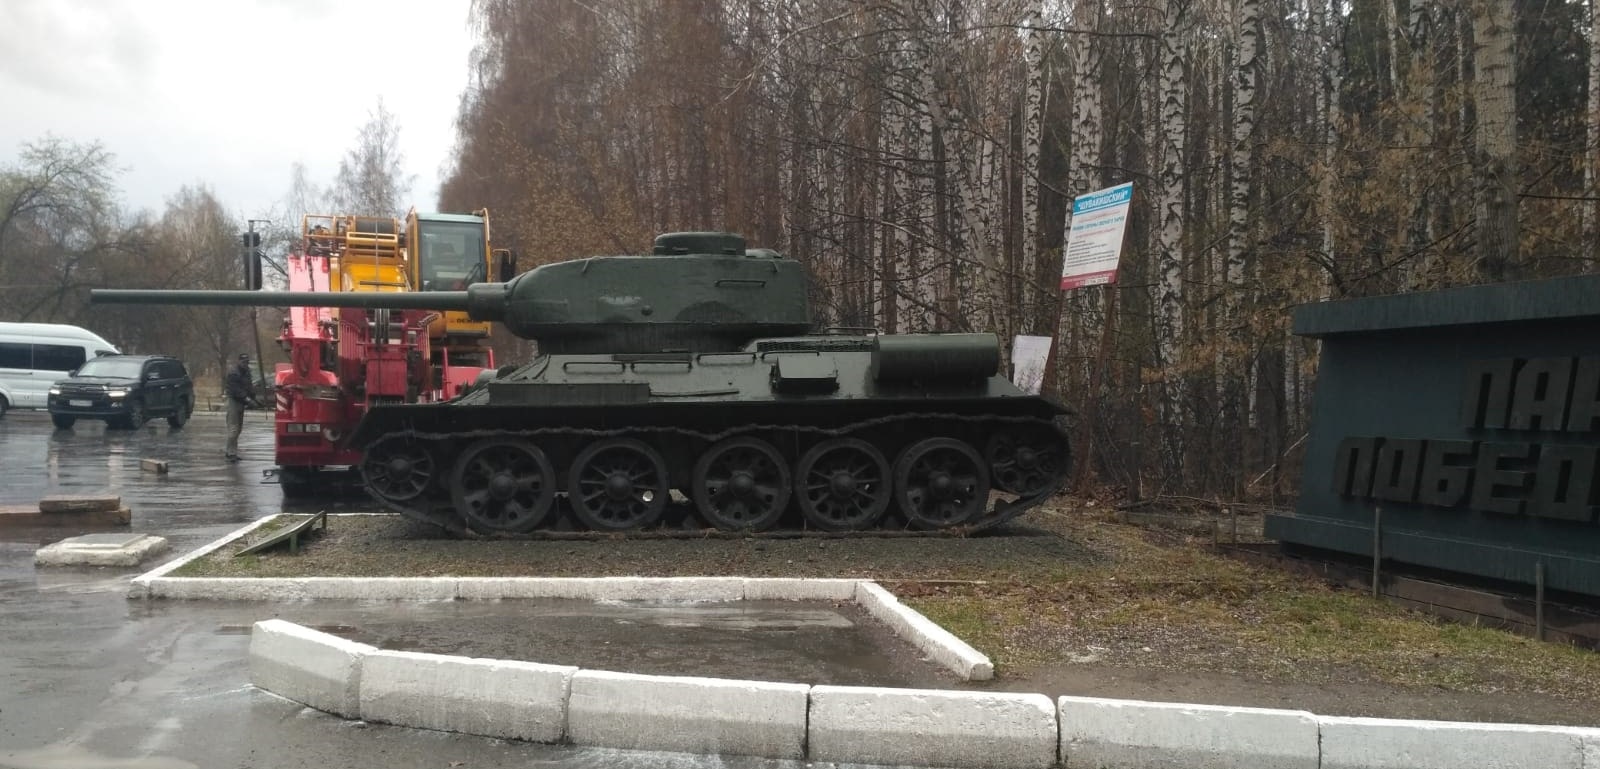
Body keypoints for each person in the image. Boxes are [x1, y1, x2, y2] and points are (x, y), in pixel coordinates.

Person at [224, 353, 262, 461]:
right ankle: (231, 453)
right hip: (234, 401)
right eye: (243, 362)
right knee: (233, 429)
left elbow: (249, 387)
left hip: (241, 402)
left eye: (247, 362)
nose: (245, 364)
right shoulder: (233, 373)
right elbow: (235, 391)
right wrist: (248, 400)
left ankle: (230, 451)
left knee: (238, 429)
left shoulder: (247, 372)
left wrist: (254, 398)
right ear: (239, 361)